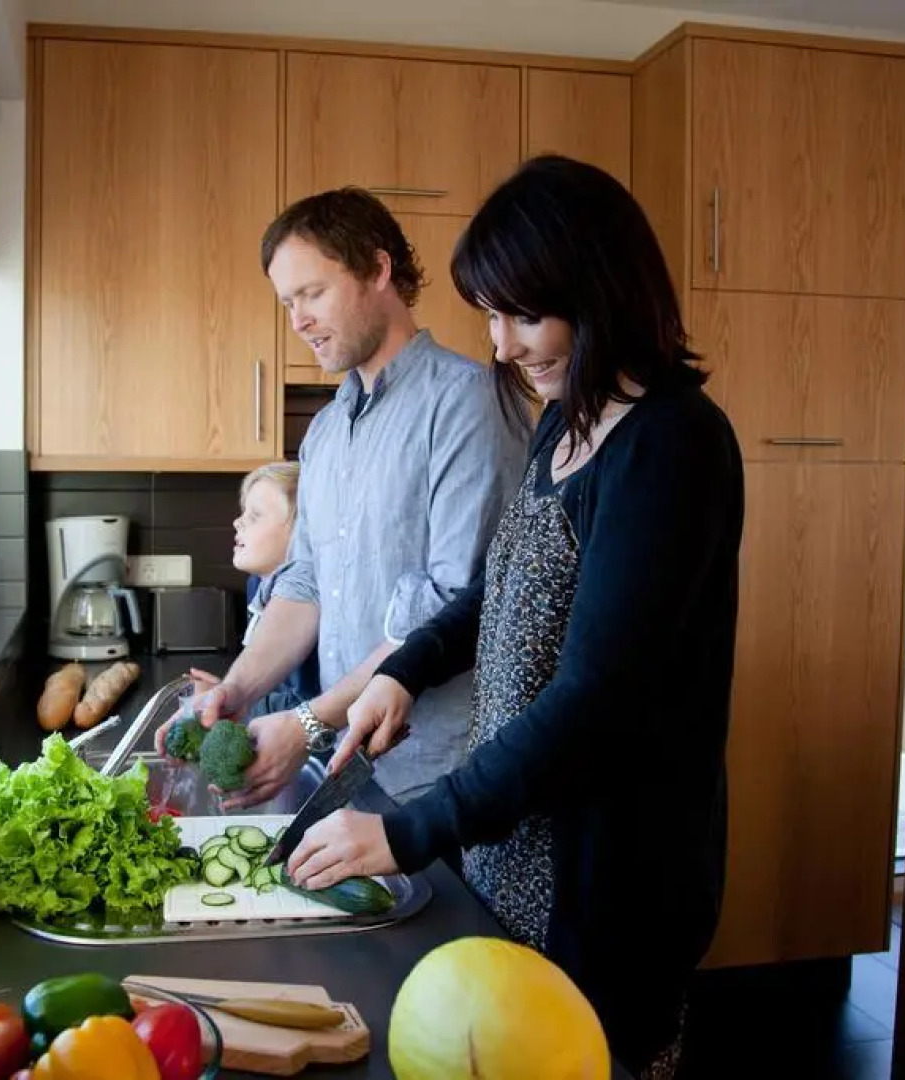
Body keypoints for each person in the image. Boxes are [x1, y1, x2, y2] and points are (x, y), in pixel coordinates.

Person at [282, 156, 745, 1079]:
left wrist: (411, 830)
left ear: (600, 290)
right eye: (489, 315)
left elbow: (595, 701)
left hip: (611, 870)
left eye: (521, 314)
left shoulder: (673, 443)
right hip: (518, 838)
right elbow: (499, 594)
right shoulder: (565, 423)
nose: (498, 344)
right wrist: (403, 668)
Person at [163, 187, 528, 809]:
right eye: (287, 303)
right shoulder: (328, 432)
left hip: (442, 779)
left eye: (312, 293)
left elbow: (450, 609)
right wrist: (240, 687)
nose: (298, 319)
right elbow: (304, 584)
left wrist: (309, 723)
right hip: (352, 769)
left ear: (378, 269)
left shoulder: (467, 403)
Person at [188, 462, 319, 719]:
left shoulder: (311, 601)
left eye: (255, 515)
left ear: (303, 530)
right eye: (243, 512)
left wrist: (232, 702)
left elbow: (306, 700)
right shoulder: (257, 585)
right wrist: (226, 693)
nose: (238, 522)